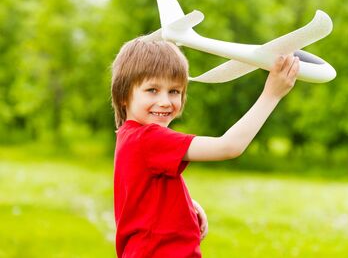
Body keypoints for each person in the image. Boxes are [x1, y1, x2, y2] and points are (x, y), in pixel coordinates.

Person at [111, 37, 299, 258]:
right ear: (124, 95)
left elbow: (141, 198)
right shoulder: (148, 138)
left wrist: (185, 205)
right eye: (152, 89)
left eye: (174, 91)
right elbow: (229, 147)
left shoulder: (131, 136)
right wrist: (272, 94)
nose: (165, 101)